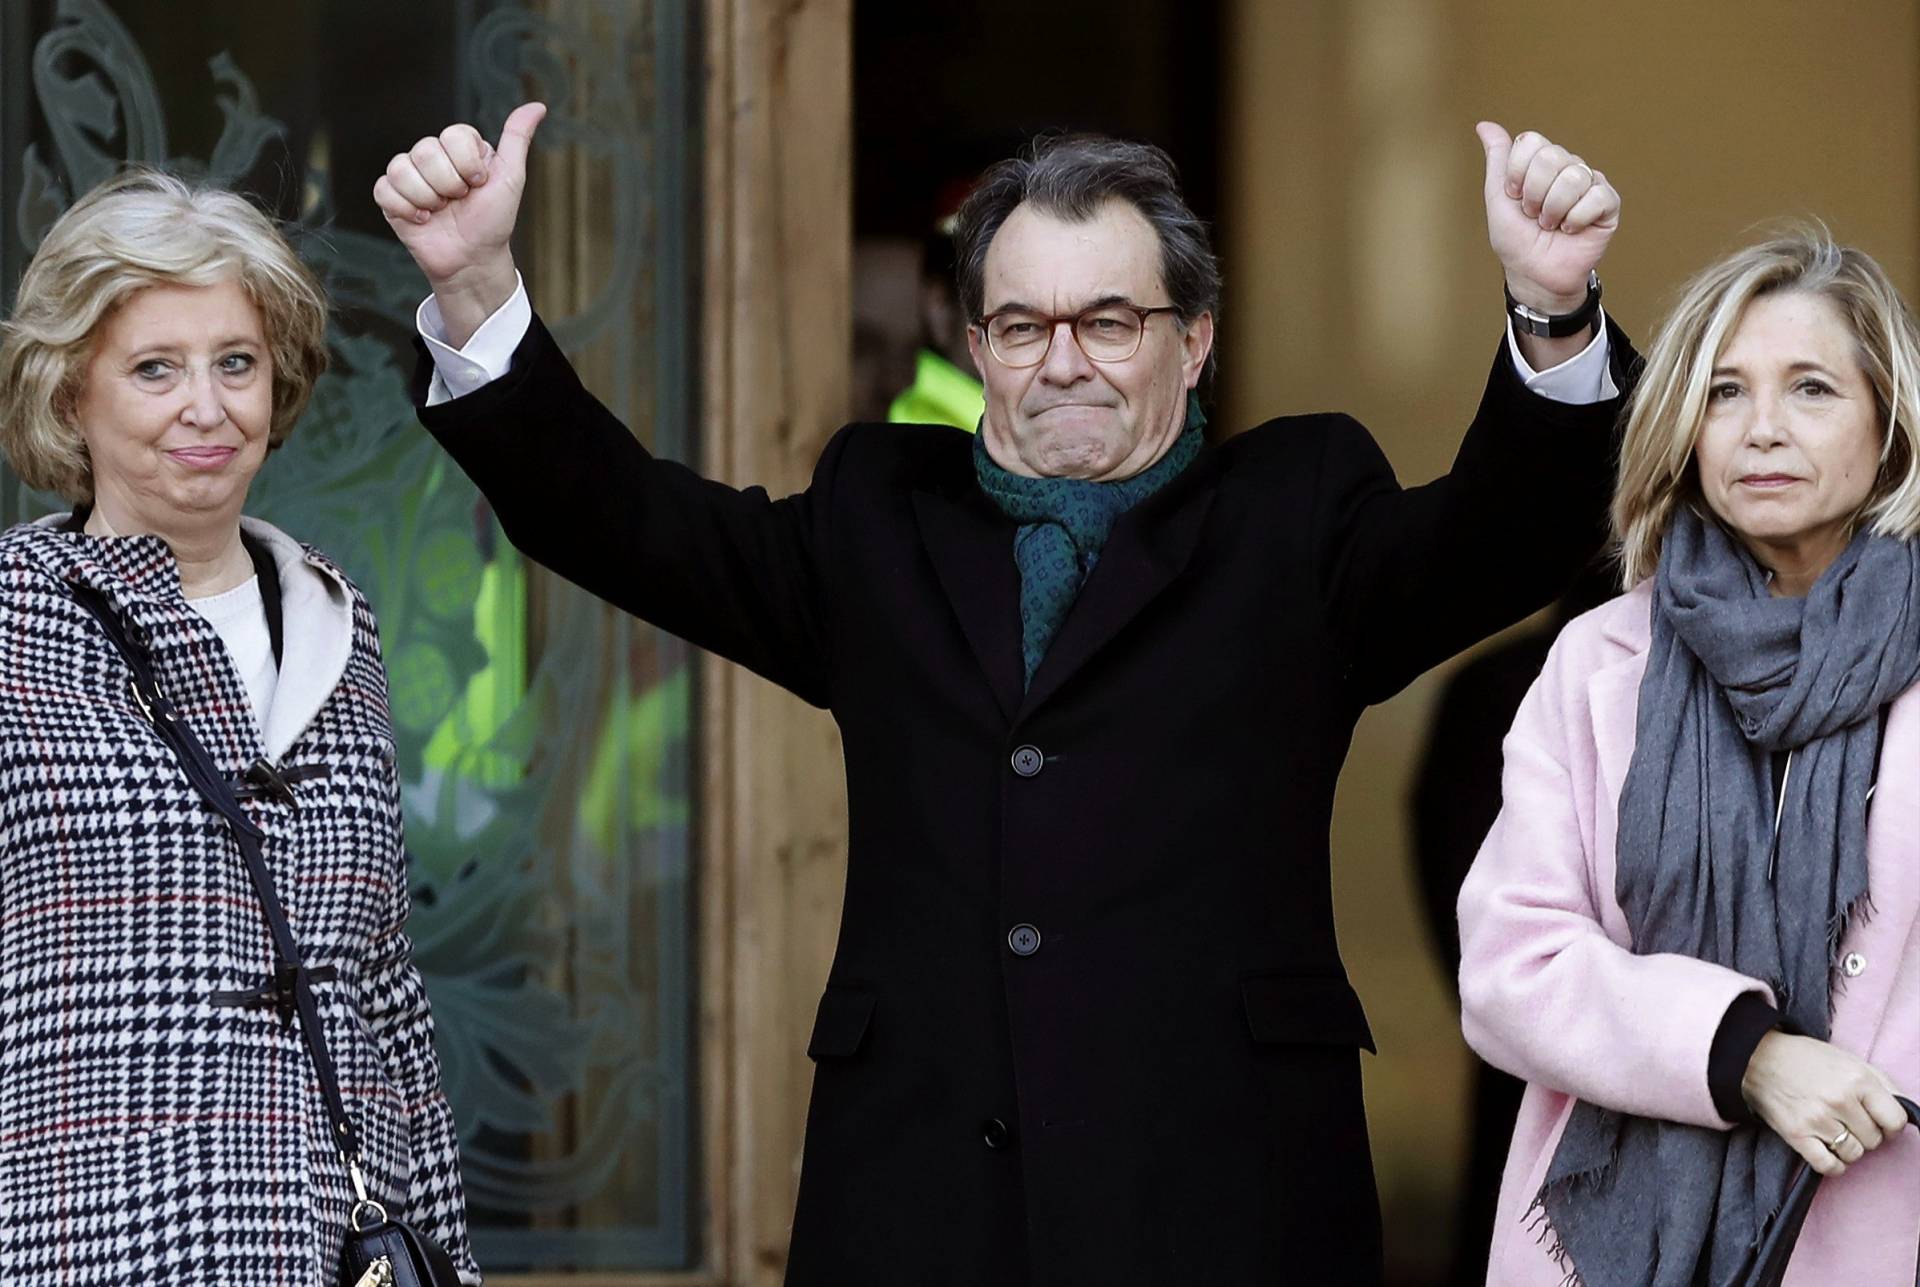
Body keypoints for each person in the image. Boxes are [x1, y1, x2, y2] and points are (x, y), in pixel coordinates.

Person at [377, 103, 1629, 1283]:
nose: (1063, 362)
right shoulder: (880, 515)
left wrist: (1553, 307)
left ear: (1194, 341)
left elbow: (1498, 539)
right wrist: (478, 290)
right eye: (1023, 326)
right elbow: (631, 525)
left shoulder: (1295, 518)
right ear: (977, 349)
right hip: (926, 1201)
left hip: (1222, 1197)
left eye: (1109, 321)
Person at [0, 170, 480, 1284]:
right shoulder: (15, 616)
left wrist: (447, 1257)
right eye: (154, 369)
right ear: (73, 396)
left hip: (331, 1247)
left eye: (236, 363)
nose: (206, 408)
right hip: (81, 1247)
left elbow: (385, 988)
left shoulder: (336, 619)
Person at [1458, 230, 1920, 1285]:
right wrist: (1745, 1057)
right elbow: (1509, 967)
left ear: (1889, 427)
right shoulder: (1600, 663)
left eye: (1811, 388)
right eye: (1722, 393)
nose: (1762, 429)